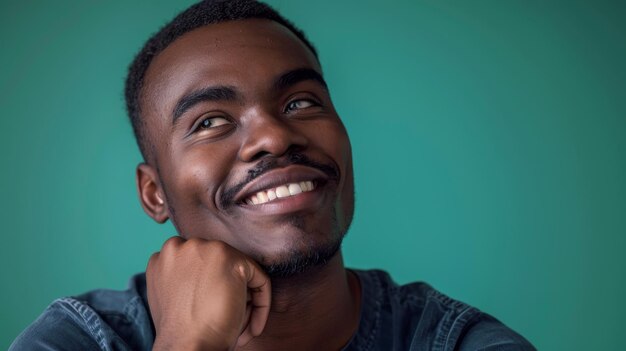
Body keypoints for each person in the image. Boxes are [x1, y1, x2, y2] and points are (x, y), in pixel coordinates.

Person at [10, 1, 535, 350]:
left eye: (301, 101)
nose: (274, 137)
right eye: (210, 121)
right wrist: (189, 343)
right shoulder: (76, 340)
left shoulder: (457, 342)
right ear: (154, 194)